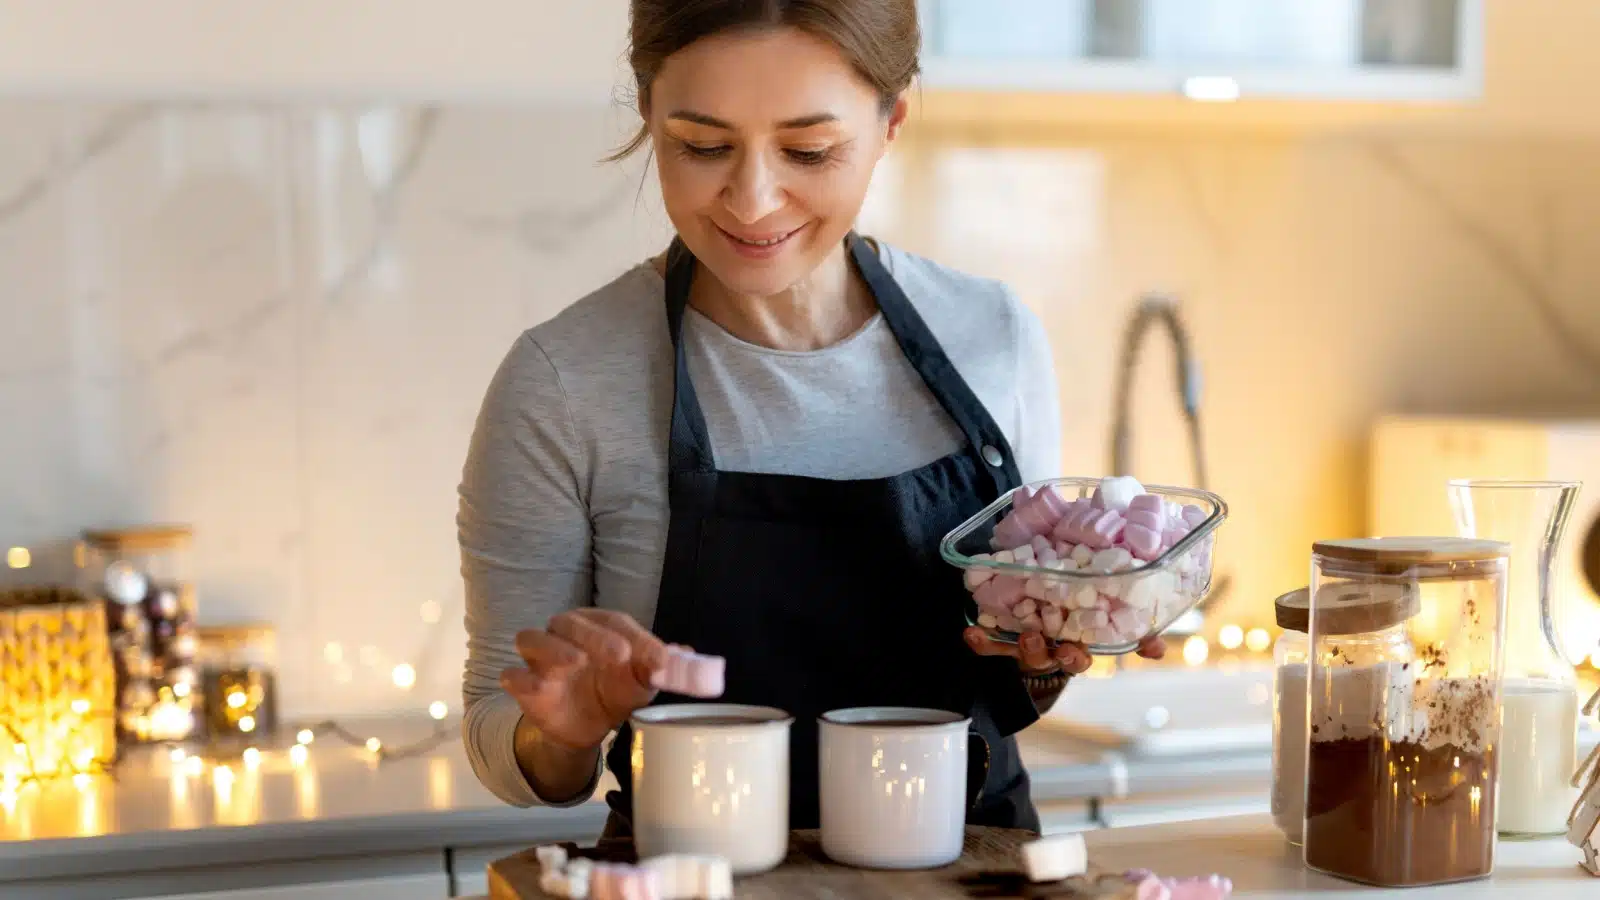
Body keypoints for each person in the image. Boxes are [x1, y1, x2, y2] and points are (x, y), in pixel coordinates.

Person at [458, 0, 1164, 836]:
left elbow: (1011, 676)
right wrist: (560, 728)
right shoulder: (565, 382)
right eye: (702, 145)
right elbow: (501, 736)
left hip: (978, 882)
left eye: (809, 150)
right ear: (648, 112)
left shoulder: (992, 337)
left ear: (891, 120)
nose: (753, 200)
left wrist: (1053, 651)